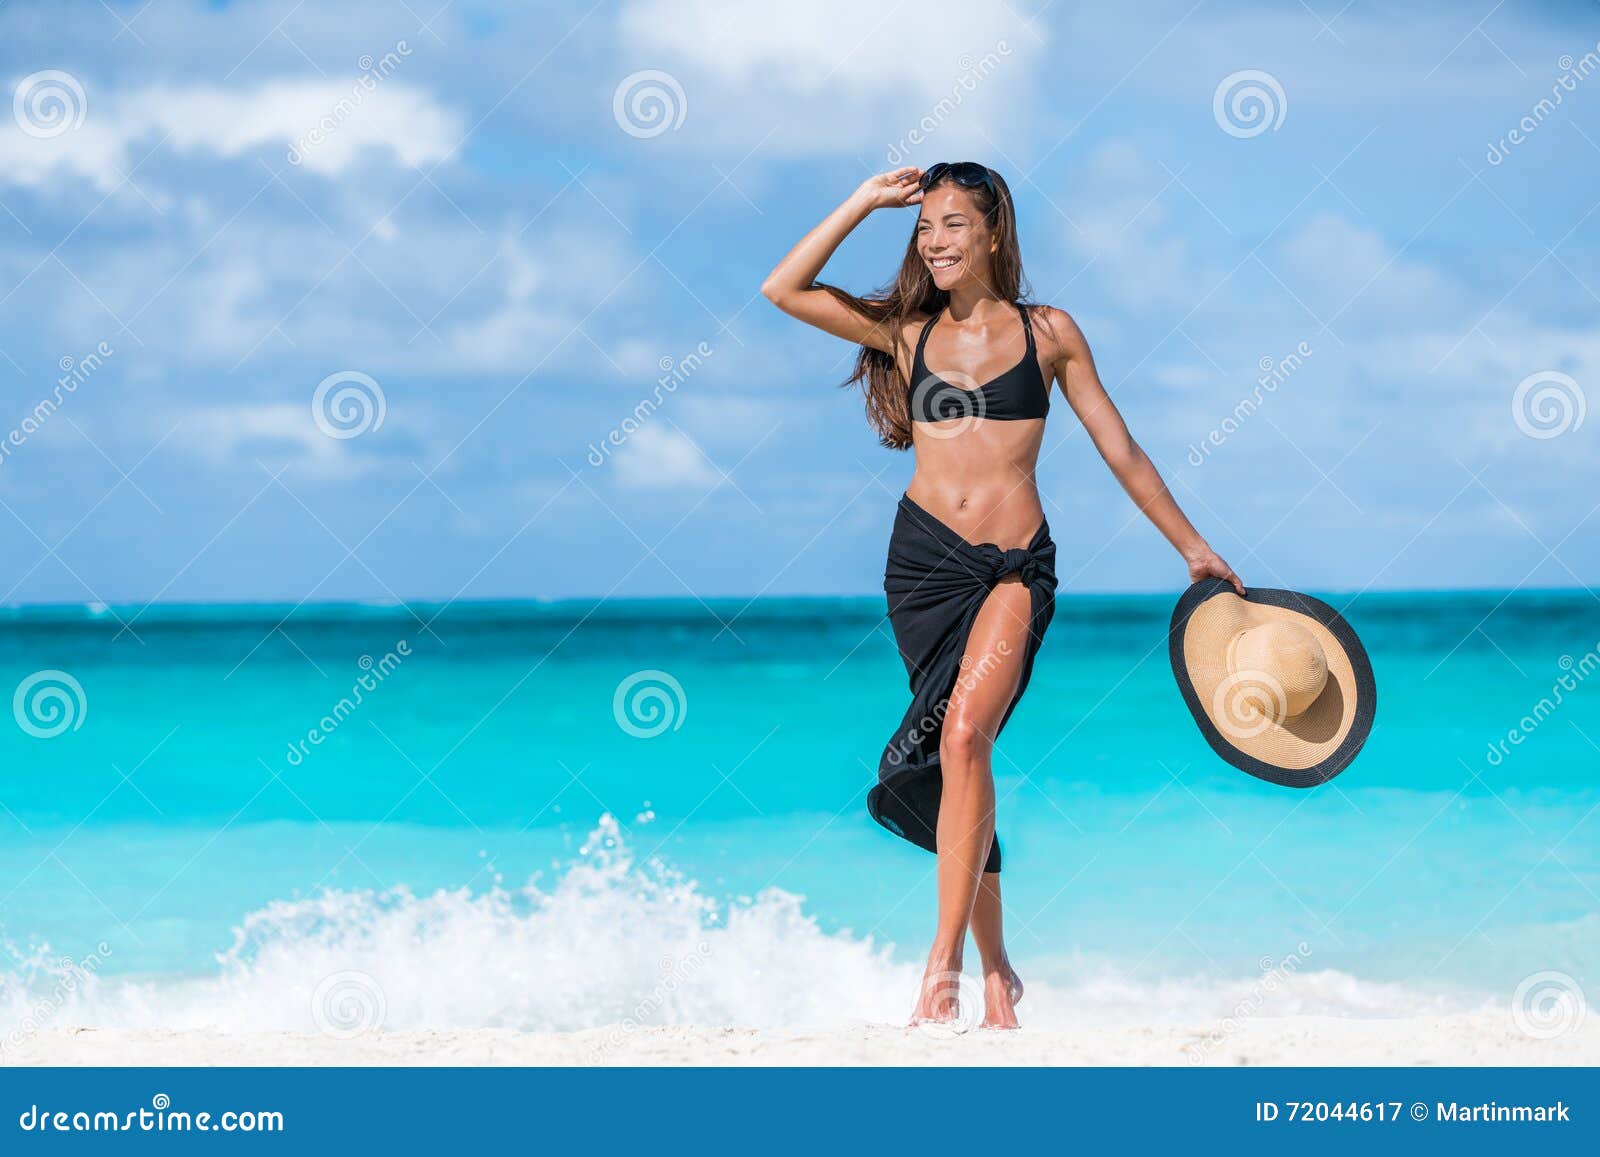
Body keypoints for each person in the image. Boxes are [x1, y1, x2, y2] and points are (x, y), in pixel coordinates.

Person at [760, 163, 1244, 1030]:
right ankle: (998, 974)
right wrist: (868, 202)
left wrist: (1192, 546)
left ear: (991, 233)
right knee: (958, 761)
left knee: (965, 735)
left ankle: (939, 966)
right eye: (924, 228)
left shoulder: (1048, 333)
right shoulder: (904, 335)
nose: (935, 241)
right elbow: (782, 287)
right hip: (922, 567)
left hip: (1015, 565)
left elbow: (1121, 449)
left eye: (952, 225)